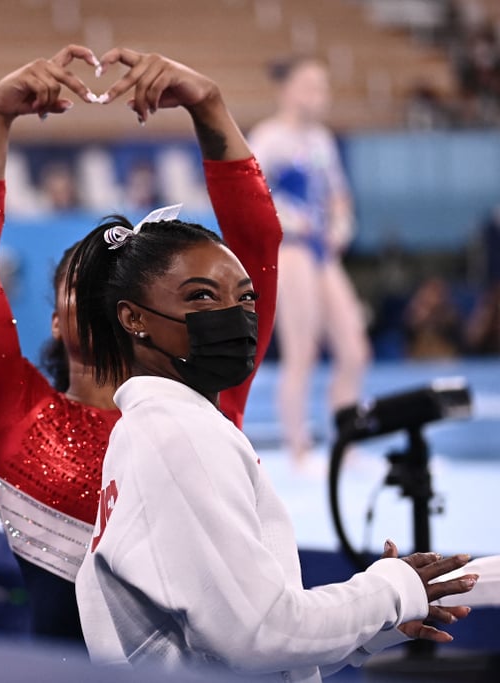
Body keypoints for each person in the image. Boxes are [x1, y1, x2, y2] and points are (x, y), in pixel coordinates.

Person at [67, 175, 477, 679]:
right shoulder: (178, 437)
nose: (233, 315)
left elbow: (228, 627)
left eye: (245, 299)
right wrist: (388, 590)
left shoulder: (156, 430)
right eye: (201, 296)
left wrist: (376, 619)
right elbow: (258, 633)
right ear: (134, 319)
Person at [0, 45, 282, 642]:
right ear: (53, 320)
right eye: (84, 285)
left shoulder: (206, 391)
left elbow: (254, 254)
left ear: (138, 314)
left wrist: (210, 106)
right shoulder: (15, 411)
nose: (101, 302)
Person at [248, 56, 371, 469]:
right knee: (303, 350)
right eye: (309, 85)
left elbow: (337, 193)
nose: (318, 95)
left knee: (355, 349)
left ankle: (347, 445)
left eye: (323, 86)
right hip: (293, 247)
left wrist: (341, 222)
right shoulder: (269, 137)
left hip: (321, 248)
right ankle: (298, 448)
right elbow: (251, 193)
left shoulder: (322, 140)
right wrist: (286, 216)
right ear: (286, 88)